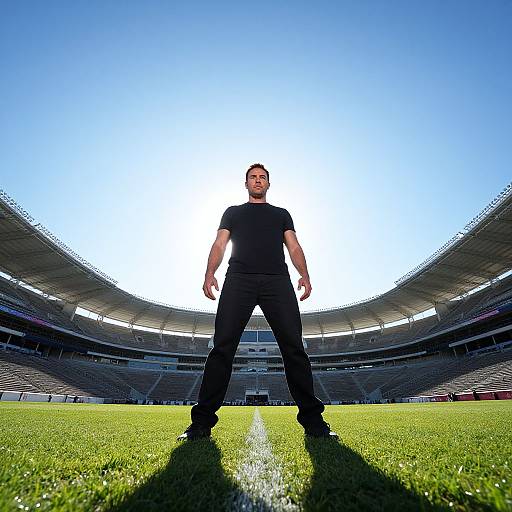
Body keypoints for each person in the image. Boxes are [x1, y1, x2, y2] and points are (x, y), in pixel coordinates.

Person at [178, 163, 338, 441]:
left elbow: (294, 246)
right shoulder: (233, 212)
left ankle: (314, 423)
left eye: (262, 177)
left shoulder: (281, 214)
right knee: (222, 348)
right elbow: (219, 244)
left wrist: (305, 275)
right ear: (246, 183)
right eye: (253, 177)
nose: (258, 180)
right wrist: (209, 272)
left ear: (268, 184)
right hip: (239, 279)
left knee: (294, 348)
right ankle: (201, 424)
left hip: (277, 281)